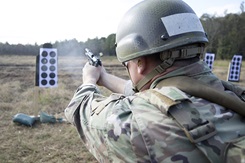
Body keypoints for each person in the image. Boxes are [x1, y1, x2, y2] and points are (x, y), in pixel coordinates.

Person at [65, 0, 245, 162]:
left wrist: (89, 79)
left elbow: (80, 110)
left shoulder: (137, 122)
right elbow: (156, 95)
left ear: (140, 63)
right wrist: (103, 77)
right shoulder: (230, 94)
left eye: (127, 64)